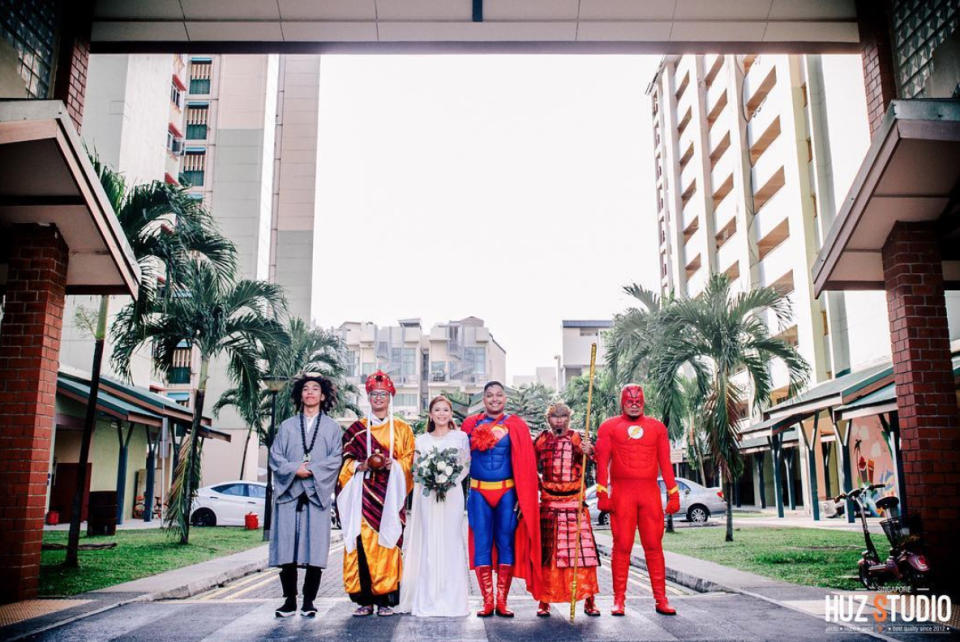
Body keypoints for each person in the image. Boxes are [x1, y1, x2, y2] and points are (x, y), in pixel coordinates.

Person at [595, 384, 681, 616]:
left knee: (654, 546)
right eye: (629, 399)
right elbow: (601, 463)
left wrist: (673, 492)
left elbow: (666, 463)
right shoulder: (609, 427)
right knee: (621, 546)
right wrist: (602, 492)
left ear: (643, 400)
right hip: (622, 494)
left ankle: (661, 599)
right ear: (622, 401)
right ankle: (619, 600)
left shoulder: (657, 428)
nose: (634, 403)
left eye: (637, 399)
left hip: (649, 494)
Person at [336, 370, 415, 617]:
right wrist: (361, 465)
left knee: (388, 545)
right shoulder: (356, 430)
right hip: (361, 497)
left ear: (390, 397)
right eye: (374, 394)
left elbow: (410, 459)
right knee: (360, 546)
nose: (379, 398)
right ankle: (365, 600)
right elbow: (345, 462)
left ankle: (385, 600)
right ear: (368, 397)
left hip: (390, 497)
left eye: (383, 394)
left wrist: (396, 465)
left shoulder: (403, 429)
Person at [461, 381, 541, 617]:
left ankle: (502, 601)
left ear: (505, 398)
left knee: (506, 544)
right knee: (482, 544)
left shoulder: (516, 425)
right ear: (483, 399)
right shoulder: (470, 424)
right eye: (489, 395)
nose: (494, 399)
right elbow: (456, 456)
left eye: (499, 395)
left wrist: (524, 497)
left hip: (507, 493)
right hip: (478, 492)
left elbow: (527, 463)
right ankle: (487, 601)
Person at [268, 372, 343, 618]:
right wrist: (293, 469)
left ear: (323, 396)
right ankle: (289, 601)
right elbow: (275, 456)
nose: (310, 393)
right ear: (300, 395)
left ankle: (309, 601)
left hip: (316, 495)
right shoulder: (287, 426)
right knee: (286, 547)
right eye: (305, 389)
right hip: (289, 495)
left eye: (315, 389)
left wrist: (311, 470)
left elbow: (335, 459)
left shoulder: (332, 428)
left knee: (315, 548)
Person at [397, 395, 471, 617]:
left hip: (452, 494)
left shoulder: (461, 437)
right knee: (430, 542)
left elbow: (465, 465)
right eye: (437, 410)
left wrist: (448, 481)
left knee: (451, 541)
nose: (441, 414)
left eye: (445, 410)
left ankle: (453, 601)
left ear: (450, 414)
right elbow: (417, 469)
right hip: (428, 496)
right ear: (430, 414)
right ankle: (429, 599)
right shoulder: (422, 440)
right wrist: (432, 480)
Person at [533, 402, 600, 617]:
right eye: (554, 416)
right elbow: (527, 465)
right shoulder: (542, 440)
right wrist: (535, 485)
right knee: (548, 556)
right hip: (549, 504)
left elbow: (596, 459)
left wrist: (591, 452)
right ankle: (545, 600)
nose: (559, 420)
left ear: (568, 418)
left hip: (574, 503)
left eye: (563, 416)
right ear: (548, 419)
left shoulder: (578, 438)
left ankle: (589, 599)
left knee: (583, 556)